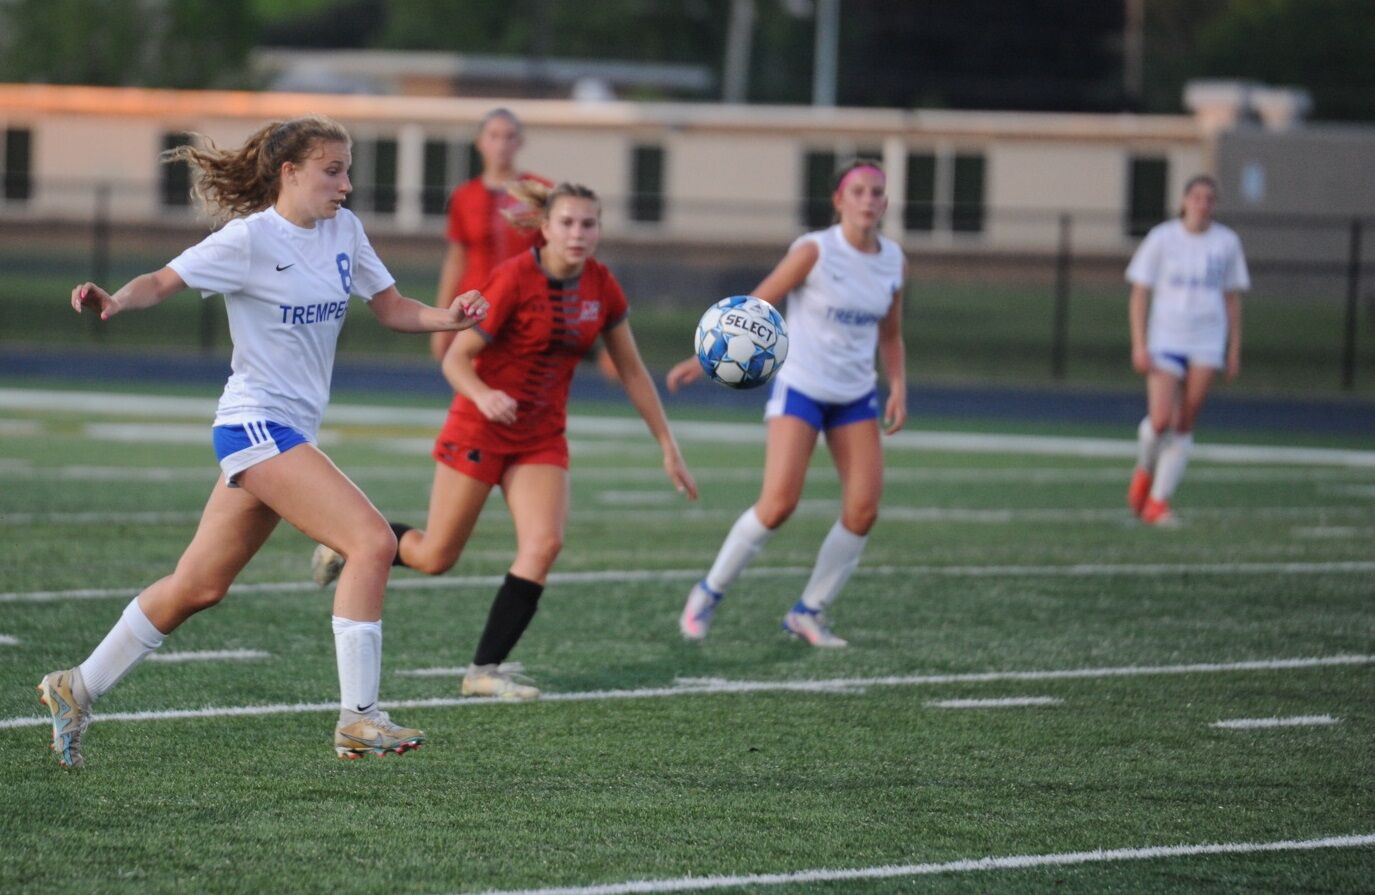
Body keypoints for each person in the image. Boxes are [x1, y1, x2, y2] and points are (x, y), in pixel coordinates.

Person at [37, 115, 489, 768]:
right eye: (333, 170)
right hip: (254, 425)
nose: (346, 183)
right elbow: (164, 280)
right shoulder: (248, 240)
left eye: (347, 168)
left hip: (287, 432)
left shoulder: (345, 232)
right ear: (290, 172)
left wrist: (448, 315)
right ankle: (358, 719)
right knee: (371, 541)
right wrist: (116, 300)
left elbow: (390, 307)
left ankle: (76, 685)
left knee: (198, 585)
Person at [312, 181, 697, 699]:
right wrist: (485, 395)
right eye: (567, 223)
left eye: (588, 224)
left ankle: (483, 671)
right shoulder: (514, 278)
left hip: (541, 437)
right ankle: (347, 544)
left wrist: (667, 445)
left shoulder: (603, 286)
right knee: (435, 557)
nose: (578, 234)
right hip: (479, 428)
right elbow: (456, 358)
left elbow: (631, 371)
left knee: (544, 544)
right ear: (545, 228)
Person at [667, 158, 907, 648]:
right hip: (802, 386)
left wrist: (898, 384)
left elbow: (891, 333)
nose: (869, 200)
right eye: (858, 190)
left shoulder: (894, 260)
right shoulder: (815, 250)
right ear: (839, 200)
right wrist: (703, 357)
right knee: (778, 505)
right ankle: (709, 592)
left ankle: (808, 612)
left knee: (863, 511)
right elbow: (759, 304)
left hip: (855, 396)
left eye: (877, 192)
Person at [1125, 174, 1249, 527]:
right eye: (1196, 196)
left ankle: (1158, 503)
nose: (1202, 203)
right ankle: (1145, 470)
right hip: (1166, 338)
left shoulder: (1226, 242)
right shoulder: (1162, 238)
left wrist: (1233, 348)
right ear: (1184, 200)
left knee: (1184, 422)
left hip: (1207, 340)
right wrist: (1139, 343)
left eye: (1209, 198)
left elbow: (1232, 297)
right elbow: (1139, 291)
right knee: (1161, 418)